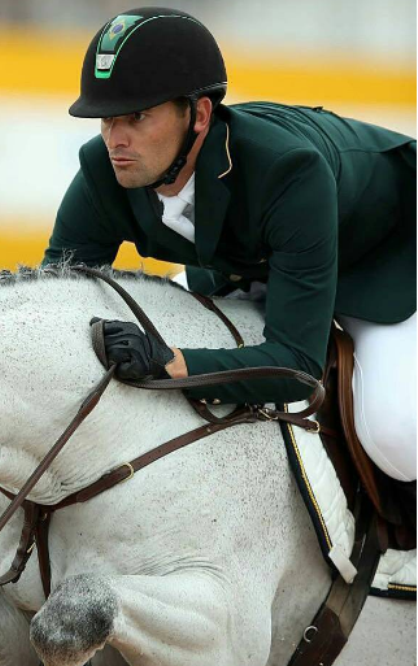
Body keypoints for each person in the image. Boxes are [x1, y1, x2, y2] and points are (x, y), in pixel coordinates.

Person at [43, 7, 416, 488]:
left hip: (388, 257)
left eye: (137, 116)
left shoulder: (287, 170)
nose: (117, 139)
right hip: (259, 264)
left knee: (396, 433)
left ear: (198, 115)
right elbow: (55, 300)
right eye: (106, 119)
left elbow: (296, 365)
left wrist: (171, 361)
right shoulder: (104, 168)